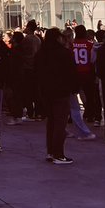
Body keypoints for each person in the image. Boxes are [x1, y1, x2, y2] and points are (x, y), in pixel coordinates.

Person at [36, 28, 77, 164]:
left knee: (51, 122)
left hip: (46, 92)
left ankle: (50, 152)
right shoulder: (65, 53)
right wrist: (74, 88)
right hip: (61, 91)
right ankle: (58, 154)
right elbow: (72, 72)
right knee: (60, 122)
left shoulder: (41, 54)